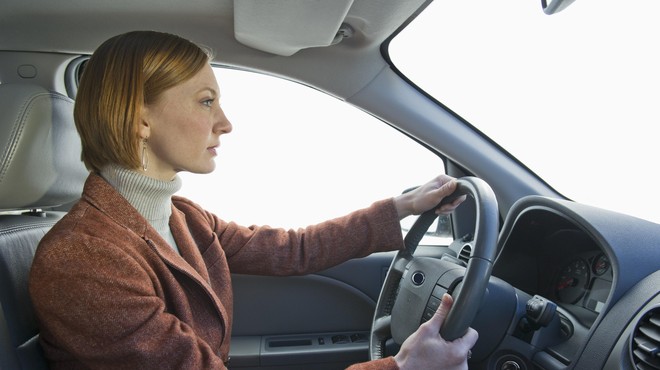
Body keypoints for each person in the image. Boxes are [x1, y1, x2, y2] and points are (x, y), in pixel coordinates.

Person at [29, 30, 477, 370]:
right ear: (140, 120)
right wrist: (402, 366)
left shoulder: (181, 217)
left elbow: (291, 249)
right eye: (206, 102)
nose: (225, 123)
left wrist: (402, 207)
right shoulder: (83, 261)